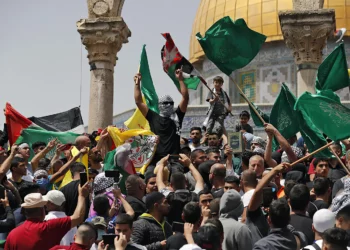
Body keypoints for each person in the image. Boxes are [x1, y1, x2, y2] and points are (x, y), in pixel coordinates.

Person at [5, 182, 90, 249]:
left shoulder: (12, 235)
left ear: (24, 211)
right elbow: (78, 217)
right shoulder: (49, 227)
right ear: (42, 210)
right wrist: (82, 196)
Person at [134, 69, 189, 166]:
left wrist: (180, 80)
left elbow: (185, 97)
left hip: (174, 160)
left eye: (171, 103)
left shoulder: (177, 116)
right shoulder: (153, 117)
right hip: (156, 160)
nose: (168, 105)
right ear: (159, 105)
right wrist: (137, 84)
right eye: (165, 103)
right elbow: (139, 102)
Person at [156, 154, 203, 224]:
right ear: (186, 182)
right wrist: (189, 164)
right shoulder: (195, 195)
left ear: (171, 185)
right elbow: (200, 180)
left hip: (174, 231)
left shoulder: (168, 196)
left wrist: (161, 165)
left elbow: (159, 182)